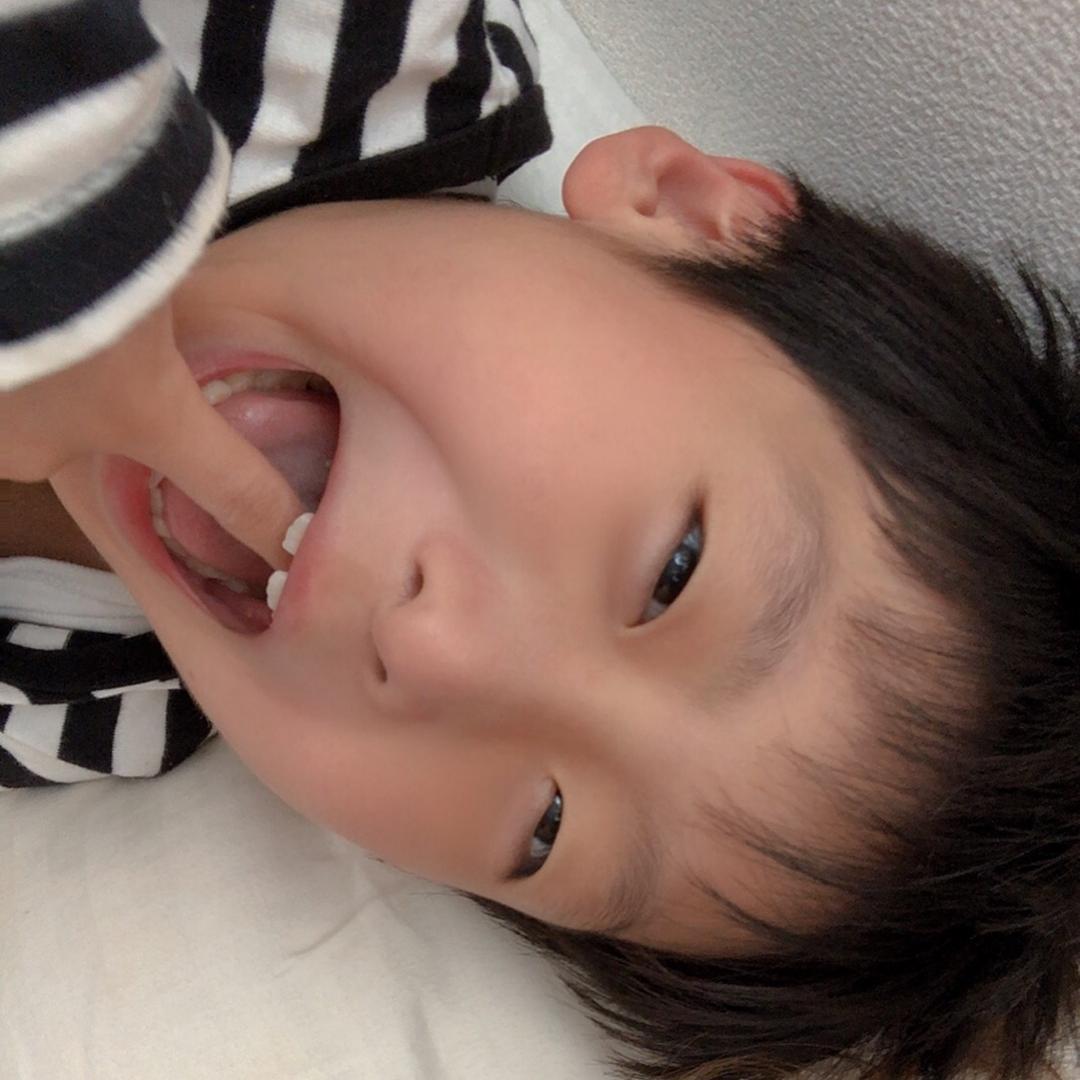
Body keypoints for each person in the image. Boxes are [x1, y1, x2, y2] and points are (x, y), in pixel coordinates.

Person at [3, 3, 1079, 1080]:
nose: (434, 650)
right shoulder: (325, 43)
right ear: (690, 215)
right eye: (672, 575)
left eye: (544, 829)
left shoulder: (79, 711)